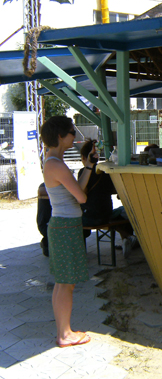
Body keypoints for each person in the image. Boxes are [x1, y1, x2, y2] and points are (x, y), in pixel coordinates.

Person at [41, 116, 95, 348]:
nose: (75, 135)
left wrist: (89, 166)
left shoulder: (54, 161)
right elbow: (81, 197)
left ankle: (64, 331)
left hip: (64, 225)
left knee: (64, 282)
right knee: (65, 283)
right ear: (61, 136)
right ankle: (64, 334)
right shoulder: (55, 164)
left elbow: (77, 191)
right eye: (72, 132)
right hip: (65, 226)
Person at [78, 139, 139, 258]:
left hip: (89, 216)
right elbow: (115, 191)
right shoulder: (104, 172)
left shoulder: (83, 172)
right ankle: (127, 237)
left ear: (84, 157)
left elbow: (82, 194)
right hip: (106, 212)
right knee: (121, 213)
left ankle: (128, 238)